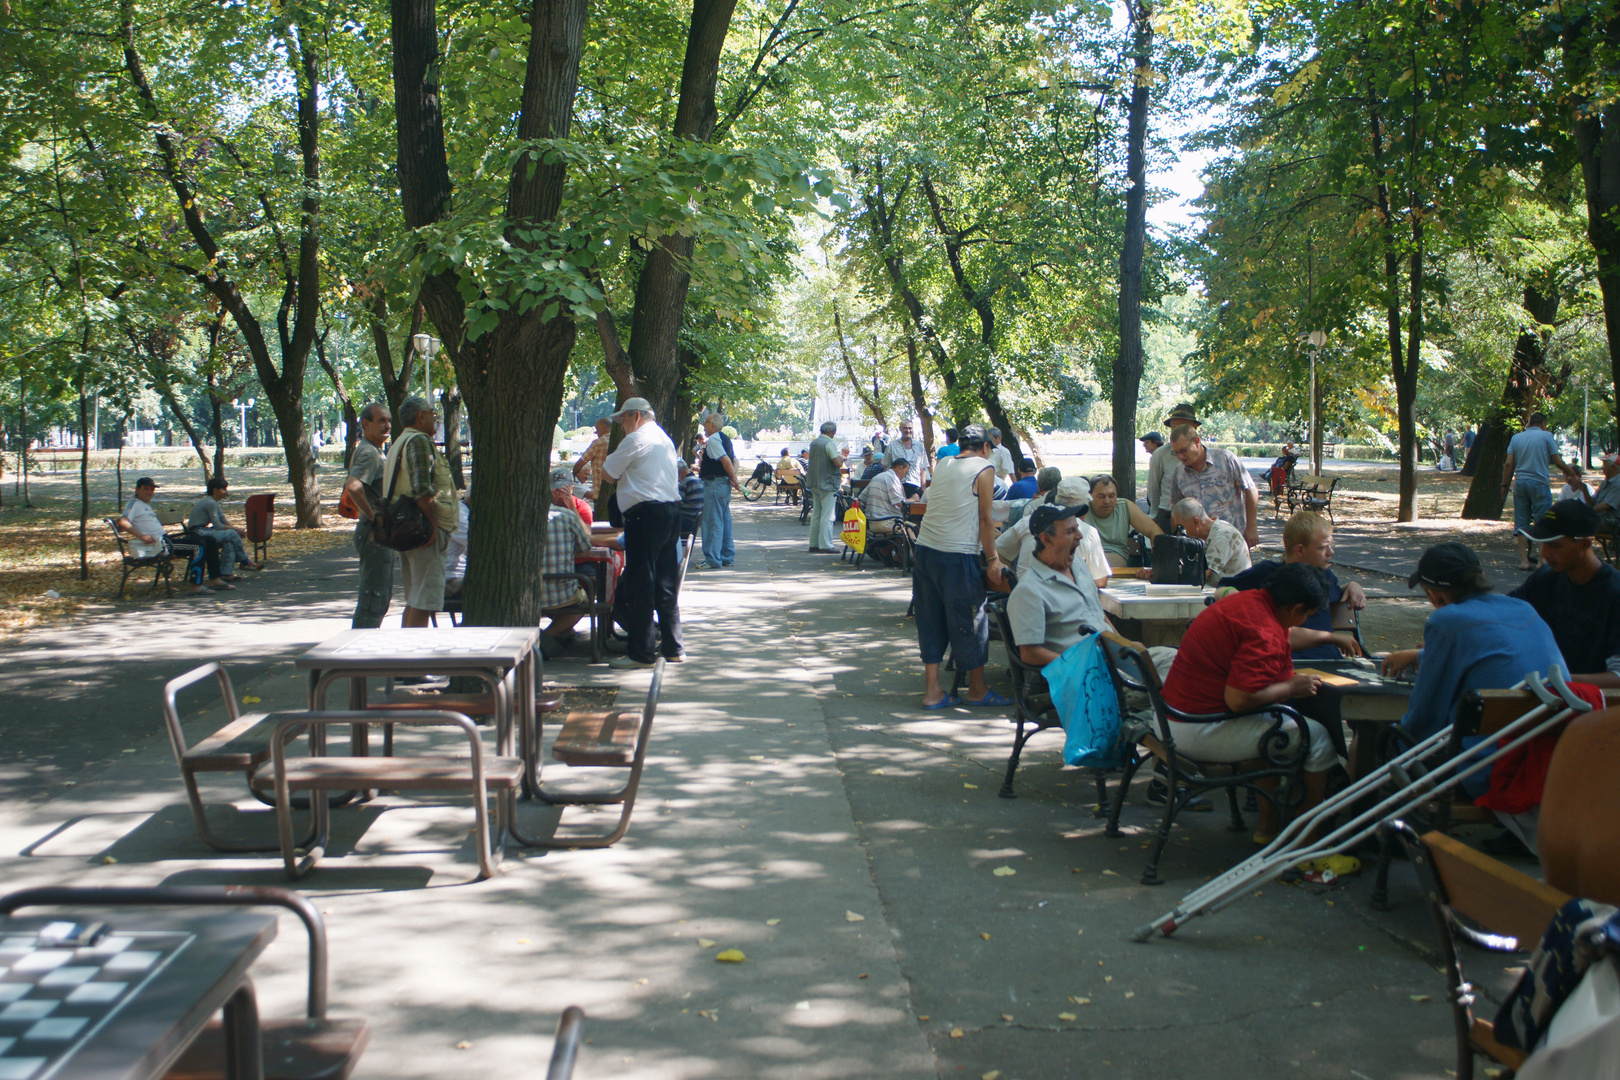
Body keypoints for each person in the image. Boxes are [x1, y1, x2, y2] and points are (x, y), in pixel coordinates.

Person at [1158, 561, 1338, 840]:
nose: (1304, 621)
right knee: (1318, 738)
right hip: (1194, 728)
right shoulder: (1264, 630)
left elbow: (1287, 634)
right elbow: (1239, 700)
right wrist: (1290, 686)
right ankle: (1309, 841)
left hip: (1172, 717)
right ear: (1294, 609)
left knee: (1274, 727)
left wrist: (1332, 639)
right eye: (1307, 615)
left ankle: (1268, 829)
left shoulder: (1251, 601)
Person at [1383, 542, 1563, 740]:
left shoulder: (1447, 621)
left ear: (1435, 596)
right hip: (1547, 748)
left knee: (1376, 735)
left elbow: (1424, 718)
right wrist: (1421, 656)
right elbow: (1492, 654)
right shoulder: (1523, 608)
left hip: (1482, 762)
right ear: (1481, 577)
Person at [912, 425, 1009, 709]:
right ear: (986, 448)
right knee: (970, 619)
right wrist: (993, 559)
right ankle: (977, 689)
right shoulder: (985, 467)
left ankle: (933, 692)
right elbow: (985, 518)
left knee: (929, 619)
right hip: (957, 555)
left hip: (926, 551)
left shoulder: (943, 463)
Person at [601, 397, 683, 668]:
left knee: (641, 585)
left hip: (644, 517)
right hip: (670, 514)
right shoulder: (663, 439)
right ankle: (673, 648)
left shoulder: (636, 439)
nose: (622, 426)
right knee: (665, 584)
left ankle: (642, 653)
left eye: (623, 419)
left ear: (636, 416)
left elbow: (608, 473)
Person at [1220, 510, 1366, 660]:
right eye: (1323, 547)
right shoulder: (1267, 573)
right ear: (1300, 550)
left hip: (1329, 660)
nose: (1331, 552)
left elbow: (1336, 594)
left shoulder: (1325, 577)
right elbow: (1221, 588)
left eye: (1330, 545)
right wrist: (1235, 599)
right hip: (1288, 660)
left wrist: (1352, 585)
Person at [1511, 499, 1620, 687]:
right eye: (1542, 544)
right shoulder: (1544, 579)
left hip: (1595, 706)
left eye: (1555, 545)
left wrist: (1559, 681)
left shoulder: (1614, 593)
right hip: (1546, 696)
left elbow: (1617, 677)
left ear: (1584, 544)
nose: (1544, 553)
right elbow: (1506, 615)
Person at [1007, 504, 1109, 667]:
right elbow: (1030, 654)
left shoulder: (1078, 565)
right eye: (1070, 531)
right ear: (1046, 539)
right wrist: (1075, 665)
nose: (1080, 536)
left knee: (1164, 664)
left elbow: (1099, 615)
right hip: (1092, 674)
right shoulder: (1029, 590)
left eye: (1077, 528)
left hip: (1116, 657)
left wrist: (1126, 644)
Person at [388, 395, 458, 628]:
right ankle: (414, 661)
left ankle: (404, 659)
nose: (435, 418)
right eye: (432, 413)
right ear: (421, 417)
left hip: (407, 527)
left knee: (415, 598)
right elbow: (422, 491)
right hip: (423, 530)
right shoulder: (418, 441)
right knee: (424, 601)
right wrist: (434, 526)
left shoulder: (399, 442)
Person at [1503, 412, 1579, 571]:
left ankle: (1524, 561)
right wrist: (1569, 471)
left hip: (1521, 483)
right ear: (1543, 424)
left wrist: (1504, 486)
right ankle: (1540, 560)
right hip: (1539, 483)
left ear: (1529, 423)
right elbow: (1557, 460)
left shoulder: (1516, 438)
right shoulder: (1547, 436)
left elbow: (1509, 464)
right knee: (1543, 521)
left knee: (1521, 522)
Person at [998, 478, 1110, 586]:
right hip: (1063, 600)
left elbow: (998, 550)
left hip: (1025, 594)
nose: (1078, 536)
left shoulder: (1028, 521)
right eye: (1070, 532)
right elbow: (1100, 580)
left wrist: (1015, 581)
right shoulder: (1088, 532)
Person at [115, 477, 215, 597]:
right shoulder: (134, 503)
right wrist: (142, 536)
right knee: (198, 546)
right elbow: (122, 521)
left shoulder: (145, 505)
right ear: (137, 489)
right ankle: (196, 585)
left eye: (152, 489)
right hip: (158, 544)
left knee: (209, 540)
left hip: (165, 540)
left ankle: (215, 578)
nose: (149, 492)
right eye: (145, 489)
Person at [343, 402, 395, 627]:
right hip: (374, 533)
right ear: (366, 424)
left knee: (379, 597)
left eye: (389, 420)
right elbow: (353, 486)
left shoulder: (373, 449)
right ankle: (357, 656)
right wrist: (373, 516)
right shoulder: (369, 452)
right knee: (374, 598)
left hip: (377, 533)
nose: (387, 425)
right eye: (381, 420)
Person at [1168, 423, 1260, 548]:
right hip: (1200, 546)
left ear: (1197, 441)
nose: (1180, 456)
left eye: (1183, 450)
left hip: (1233, 540)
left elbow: (1251, 489)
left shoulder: (1225, 459)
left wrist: (1252, 527)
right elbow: (1176, 507)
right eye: (1176, 452)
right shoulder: (1179, 473)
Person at [538, 480, 596, 660]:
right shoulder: (568, 516)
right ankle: (549, 635)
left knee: (585, 580)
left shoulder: (523, 516)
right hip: (563, 591)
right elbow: (585, 545)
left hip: (529, 591)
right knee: (588, 594)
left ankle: (561, 633)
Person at [187, 476, 259, 579]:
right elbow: (218, 525)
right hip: (198, 532)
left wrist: (235, 528)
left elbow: (223, 520)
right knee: (232, 534)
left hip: (204, 530)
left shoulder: (214, 502)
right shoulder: (210, 503)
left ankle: (226, 573)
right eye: (223, 489)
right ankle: (245, 561)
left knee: (229, 541)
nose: (226, 491)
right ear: (215, 490)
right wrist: (236, 530)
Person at [1086, 474, 1162, 568]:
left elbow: (1155, 532)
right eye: (1101, 496)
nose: (1107, 501)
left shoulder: (1124, 507)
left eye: (1111, 496)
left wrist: (1157, 565)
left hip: (1116, 564)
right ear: (1090, 496)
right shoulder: (1083, 509)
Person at [697, 413, 741, 570]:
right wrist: (732, 478)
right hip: (723, 485)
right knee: (724, 520)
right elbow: (735, 460)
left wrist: (733, 478)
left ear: (713, 425)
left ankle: (713, 559)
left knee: (712, 522)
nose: (704, 424)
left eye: (706, 422)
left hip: (714, 484)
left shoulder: (714, 439)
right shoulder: (725, 439)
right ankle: (727, 556)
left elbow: (726, 460)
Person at [1172, 497, 1251, 584]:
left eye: (1181, 527)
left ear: (1196, 522)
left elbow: (1201, 575)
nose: (1180, 532)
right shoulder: (1207, 534)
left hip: (1234, 592)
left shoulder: (1223, 535)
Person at [806, 421, 849, 553]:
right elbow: (836, 463)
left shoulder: (814, 443)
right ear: (831, 432)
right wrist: (842, 458)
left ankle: (813, 543)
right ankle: (826, 544)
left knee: (816, 514)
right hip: (828, 483)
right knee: (828, 515)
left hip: (815, 482)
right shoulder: (829, 443)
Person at [862, 458, 914, 535]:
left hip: (871, 523)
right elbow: (900, 503)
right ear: (899, 468)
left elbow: (863, 499)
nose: (905, 476)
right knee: (912, 529)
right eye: (905, 472)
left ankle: (884, 547)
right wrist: (914, 499)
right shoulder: (893, 479)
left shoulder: (878, 477)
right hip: (886, 523)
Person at [1579, 451, 1620, 528]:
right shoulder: (1605, 482)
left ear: (1613, 468)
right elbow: (1593, 504)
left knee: (1576, 522)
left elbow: (1605, 506)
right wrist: (1584, 490)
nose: (1602, 467)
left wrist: (1585, 513)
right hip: (1600, 518)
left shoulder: (1618, 483)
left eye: (1605, 464)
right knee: (1571, 519)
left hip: (1612, 522)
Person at [443, 486, 471, 597]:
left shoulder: (463, 511)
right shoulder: (459, 516)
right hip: (451, 579)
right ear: (470, 500)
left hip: (461, 576)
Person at [882, 420, 927, 489]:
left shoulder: (920, 446)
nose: (908, 430)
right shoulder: (892, 446)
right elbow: (886, 466)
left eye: (910, 428)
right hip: (896, 484)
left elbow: (923, 468)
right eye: (905, 428)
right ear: (900, 429)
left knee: (915, 499)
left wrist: (923, 487)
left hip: (915, 484)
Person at [1139, 431, 1169, 531]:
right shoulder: (1157, 456)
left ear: (1155, 443)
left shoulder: (1160, 456)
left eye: (1146, 442)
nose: (1144, 446)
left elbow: (1156, 484)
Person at [573, 417, 611, 491]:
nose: (596, 433)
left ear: (603, 427)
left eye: (597, 429)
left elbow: (581, 462)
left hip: (600, 489)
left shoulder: (598, 443)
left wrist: (573, 476)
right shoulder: (621, 442)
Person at [677, 461, 704, 552]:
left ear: (679, 472)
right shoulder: (698, 480)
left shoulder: (685, 482)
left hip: (685, 521)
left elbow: (678, 502)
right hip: (694, 521)